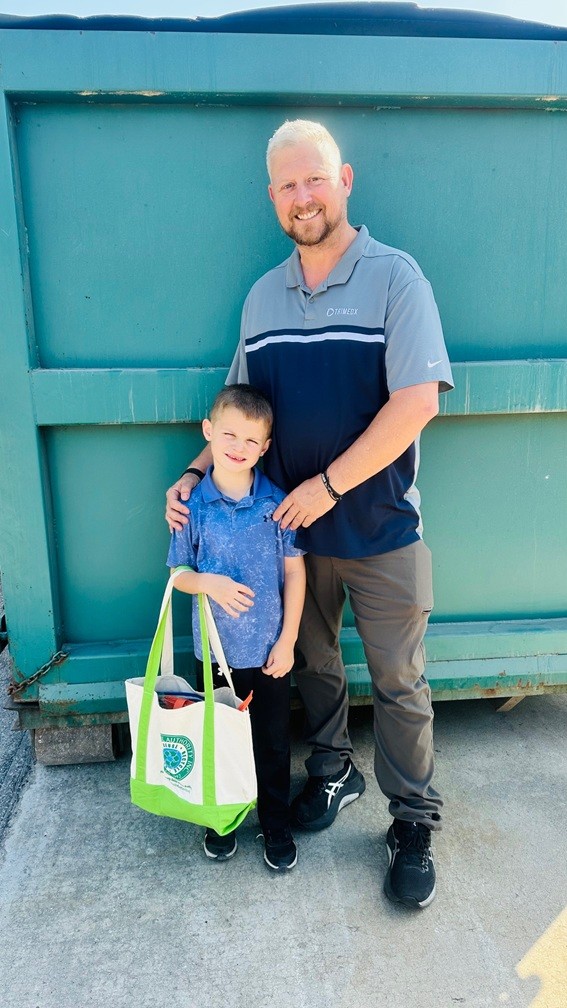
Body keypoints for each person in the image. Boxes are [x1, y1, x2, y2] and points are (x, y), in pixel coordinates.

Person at [166, 120, 454, 909]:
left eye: (315, 179)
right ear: (272, 196)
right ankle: (332, 771)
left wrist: (327, 486)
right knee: (312, 663)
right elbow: (238, 412)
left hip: (382, 528)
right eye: (288, 185)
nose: (303, 197)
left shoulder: (396, 278)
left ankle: (412, 822)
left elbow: (416, 402)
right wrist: (192, 473)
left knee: (398, 681)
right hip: (289, 540)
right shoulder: (263, 298)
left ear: (344, 180)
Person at [167, 383, 306, 872]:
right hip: (214, 654)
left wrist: (288, 640)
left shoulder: (277, 504)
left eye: (251, 440)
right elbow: (178, 576)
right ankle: (221, 820)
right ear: (208, 432)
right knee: (218, 741)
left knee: (272, 742)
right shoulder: (191, 507)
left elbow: (295, 573)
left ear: (264, 447)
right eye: (229, 434)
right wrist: (210, 583)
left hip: (269, 654)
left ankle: (275, 823)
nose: (238, 447)